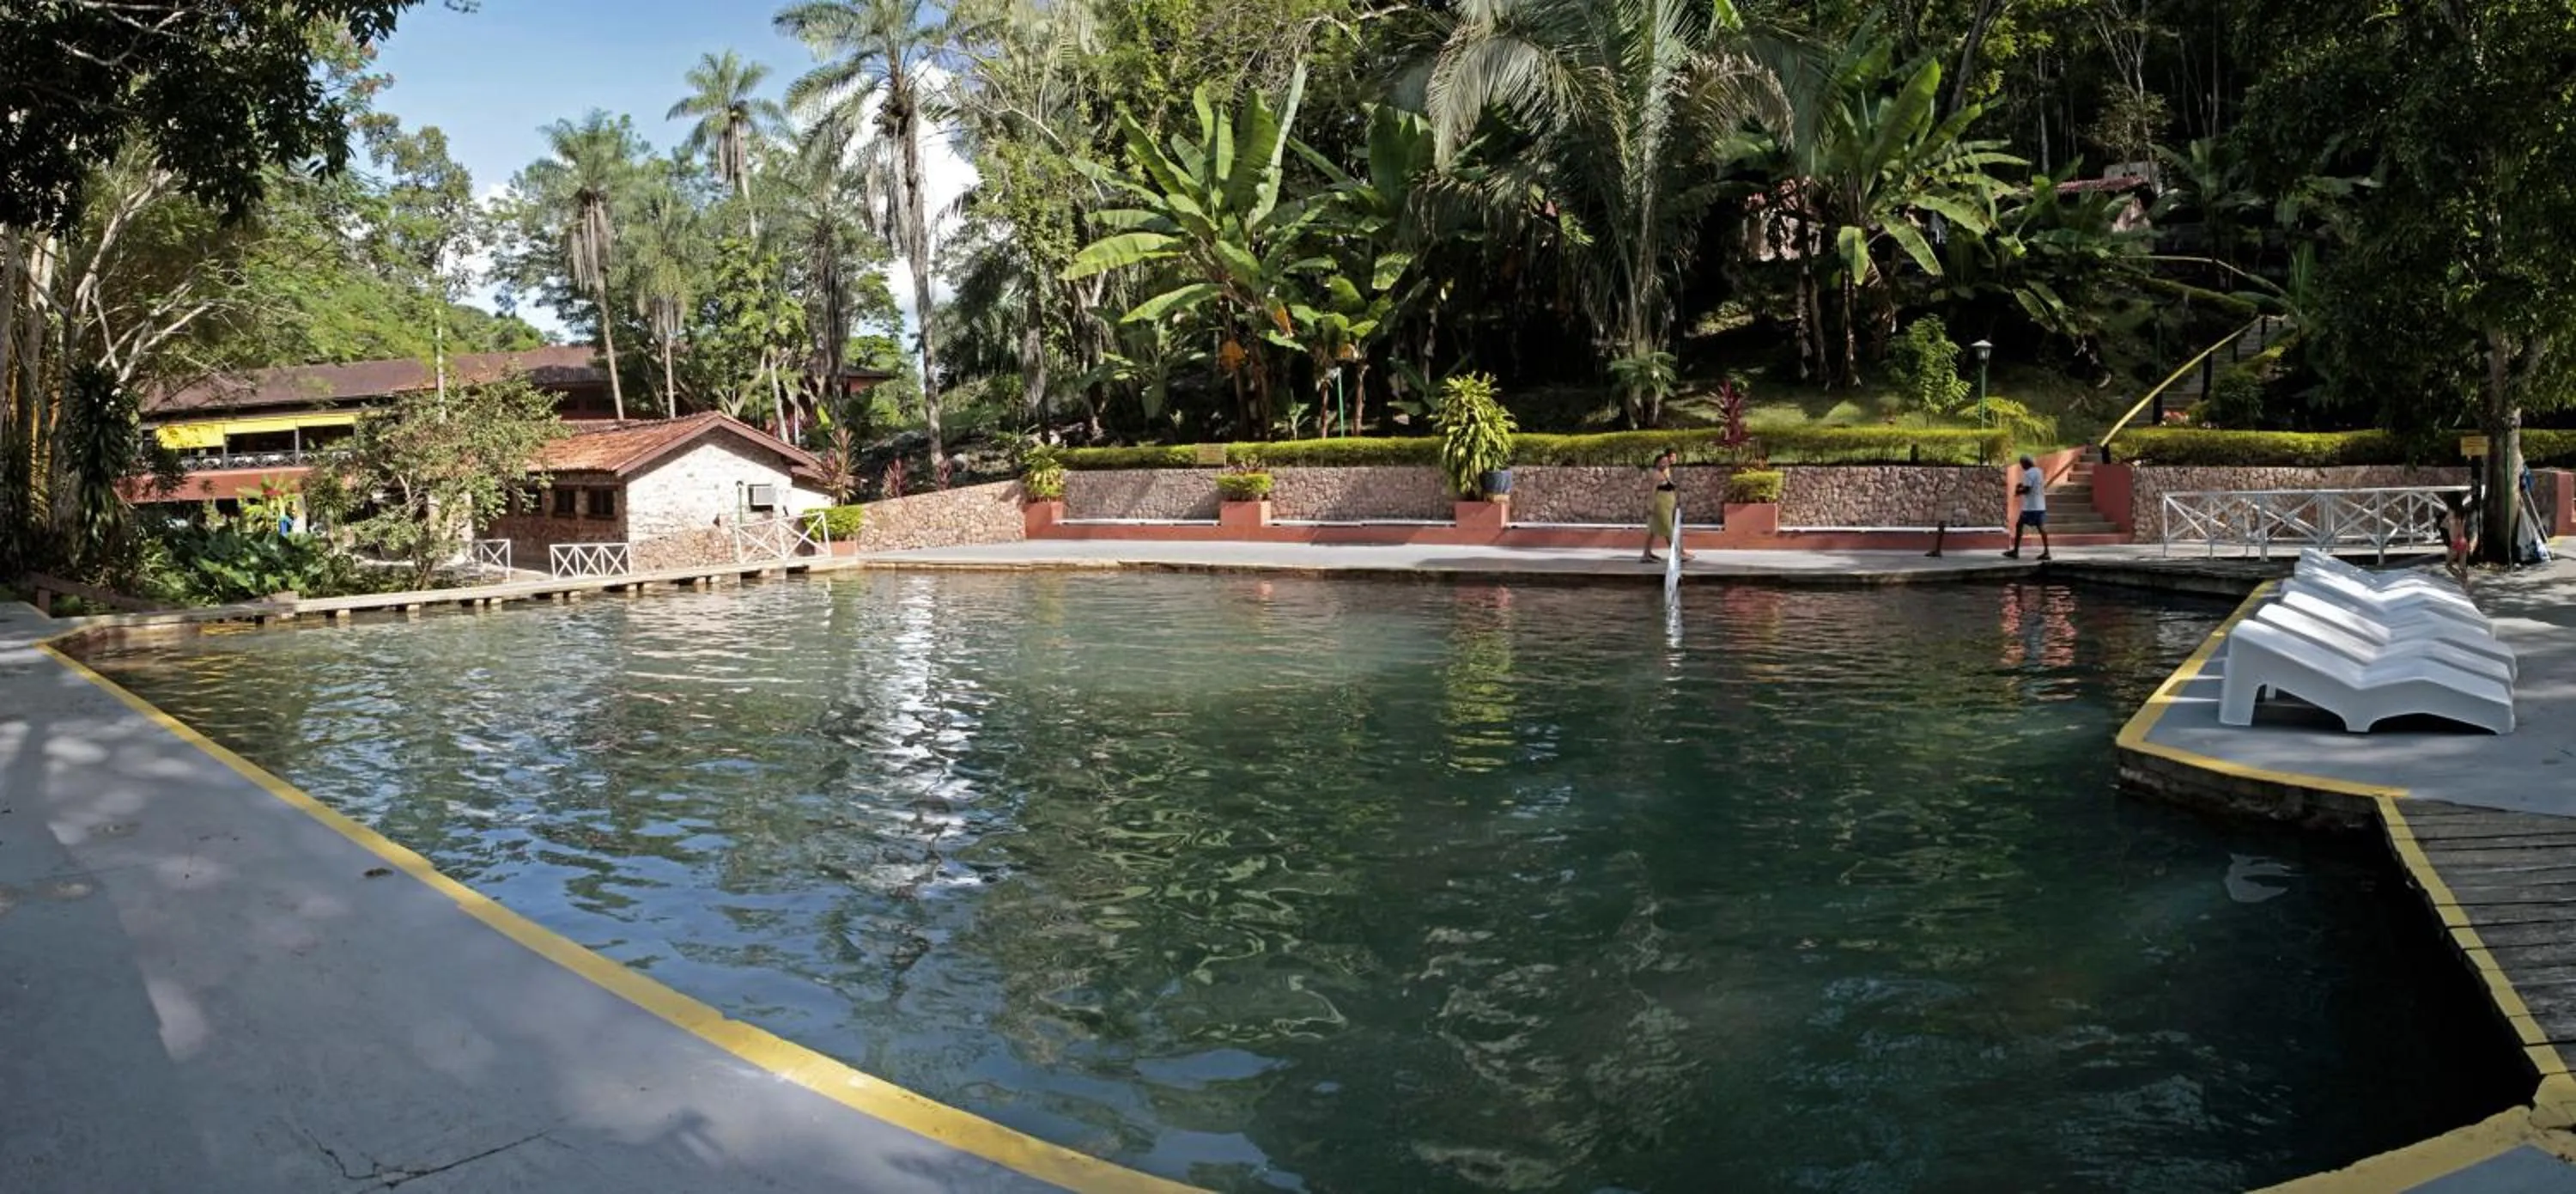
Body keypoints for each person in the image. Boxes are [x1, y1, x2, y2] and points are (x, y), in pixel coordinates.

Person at [1641, 448, 1692, 563]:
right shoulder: (1656, 475)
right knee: (1669, 530)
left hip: (1667, 505)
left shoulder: (1664, 473)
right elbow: (1652, 491)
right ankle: (1677, 554)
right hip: (1661, 506)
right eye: (1662, 462)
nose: (1665, 464)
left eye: (1666, 462)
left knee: (1653, 530)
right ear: (1657, 463)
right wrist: (1650, 506)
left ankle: (1646, 554)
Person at [2003, 454, 2050, 561]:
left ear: (2025, 463)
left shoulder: (2028, 473)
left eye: (2022, 464)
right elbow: (2034, 486)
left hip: (2030, 507)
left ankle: (2016, 551)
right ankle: (2047, 551)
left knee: (2019, 525)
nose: (2022, 466)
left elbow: (2027, 490)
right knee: (2041, 528)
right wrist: (2022, 486)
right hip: (2040, 505)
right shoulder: (2039, 471)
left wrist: (2018, 491)